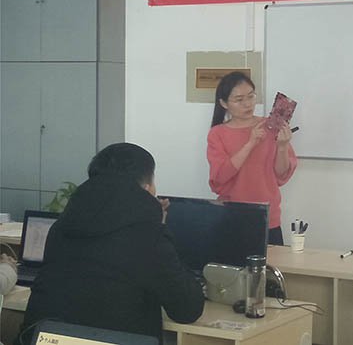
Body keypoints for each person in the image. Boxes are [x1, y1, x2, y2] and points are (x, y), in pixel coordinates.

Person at [19, 143, 204, 345]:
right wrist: (158, 226)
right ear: (147, 188)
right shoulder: (148, 235)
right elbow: (186, 310)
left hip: (45, 338)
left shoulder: (60, 228)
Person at [207, 72, 297, 245]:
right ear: (224, 103)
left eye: (251, 96)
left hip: (268, 216)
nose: (247, 104)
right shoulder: (217, 134)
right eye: (239, 99)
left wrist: (282, 147)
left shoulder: (271, 126)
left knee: (272, 262)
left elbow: (281, 175)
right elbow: (220, 177)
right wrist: (250, 143)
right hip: (233, 215)